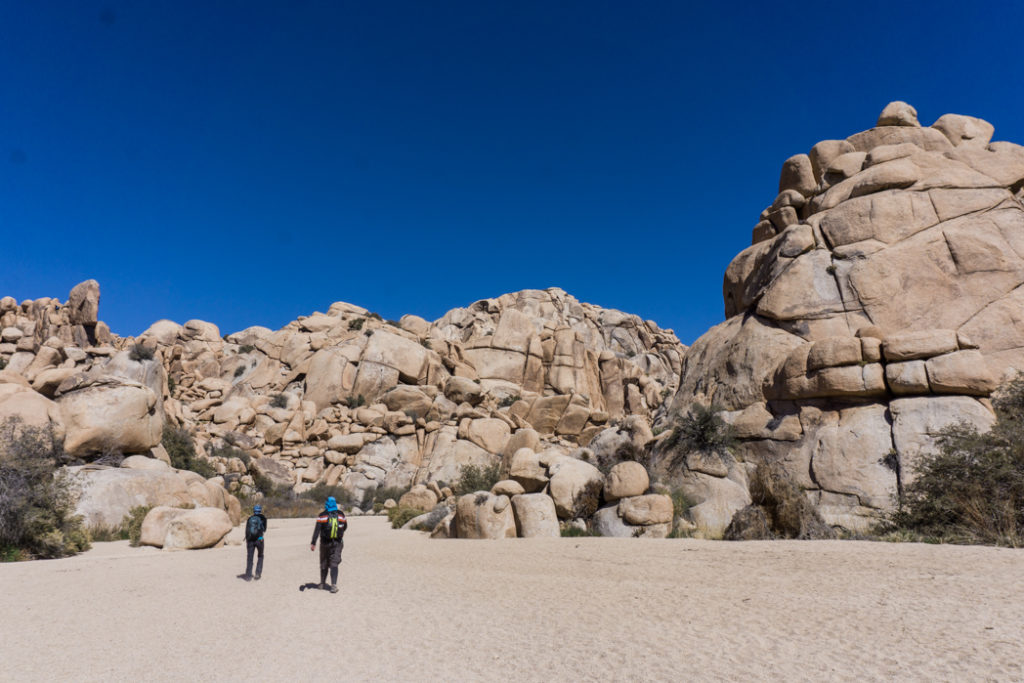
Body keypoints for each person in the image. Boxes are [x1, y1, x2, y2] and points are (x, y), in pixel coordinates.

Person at [310, 496, 347, 593]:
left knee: (324, 562)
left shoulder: (322, 515)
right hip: (337, 542)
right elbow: (345, 526)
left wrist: (313, 542)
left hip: (325, 543)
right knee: (334, 563)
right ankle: (333, 585)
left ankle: (322, 583)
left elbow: (317, 530)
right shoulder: (341, 514)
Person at [243, 504, 267, 581]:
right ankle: (257, 574)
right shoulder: (263, 518)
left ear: (253, 510)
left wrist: (247, 539)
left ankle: (248, 575)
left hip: (250, 540)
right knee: (260, 556)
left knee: (250, 557)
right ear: (260, 510)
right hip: (259, 540)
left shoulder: (250, 518)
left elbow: (247, 530)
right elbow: (264, 529)